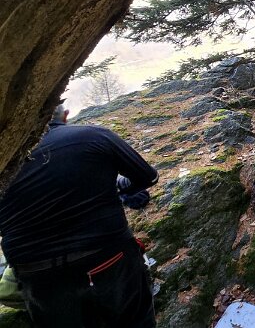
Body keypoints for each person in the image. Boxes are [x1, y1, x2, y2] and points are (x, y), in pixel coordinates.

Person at [0, 104, 158, 327]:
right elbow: (148, 177)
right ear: (65, 116)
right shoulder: (93, 135)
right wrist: (117, 187)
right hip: (108, 259)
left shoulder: (5, 161)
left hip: (38, 277)